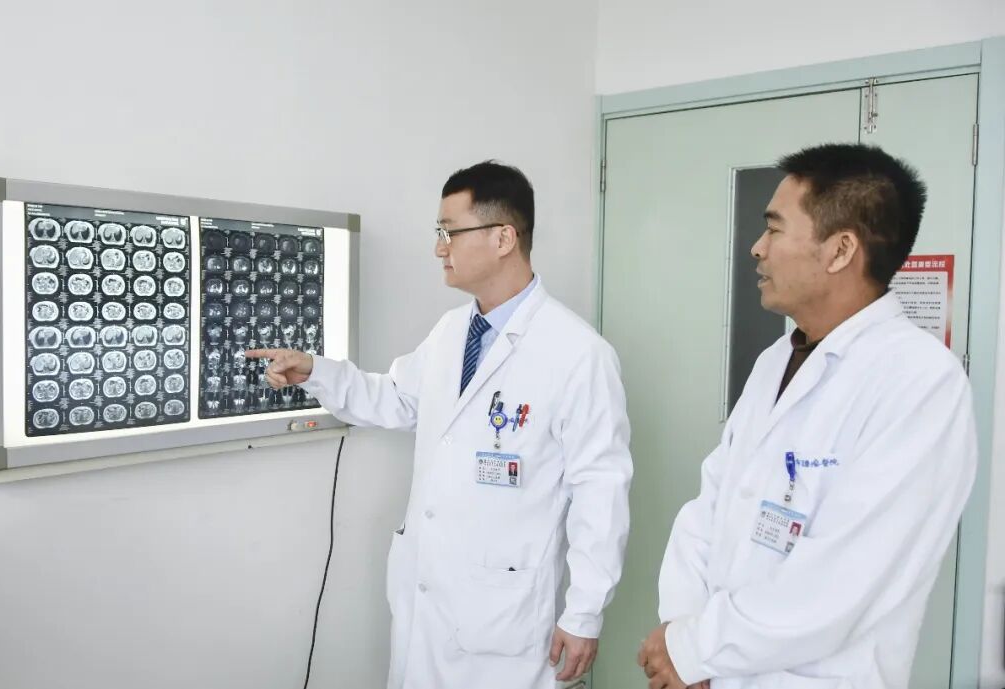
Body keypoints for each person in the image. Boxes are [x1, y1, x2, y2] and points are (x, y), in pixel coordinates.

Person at [248, 161, 633, 689]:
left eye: (449, 232)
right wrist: (315, 371)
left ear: (503, 238)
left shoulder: (578, 354)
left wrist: (584, 613)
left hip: (505, 614)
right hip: (429, 593)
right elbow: (397, 398)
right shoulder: (453, 332)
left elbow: (601, 490)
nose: (438, 247)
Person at [638, 143, 977, 689]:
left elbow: (845, 579)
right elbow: (711, 505)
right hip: (712, 670)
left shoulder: (919, 382)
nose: (757, 248)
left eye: (774, 229)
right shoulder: (777, 360)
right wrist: (684, 630)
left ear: (840, 250)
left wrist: (697, 648)